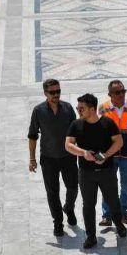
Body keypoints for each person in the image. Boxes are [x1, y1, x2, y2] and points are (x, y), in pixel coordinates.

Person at [64, 94, 127, 249]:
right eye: (78, 108)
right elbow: (68, 145)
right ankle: (91, 236)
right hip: (86, 173)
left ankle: (119, 224)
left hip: (107, 171)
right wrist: (83, 152)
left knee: (113, 201)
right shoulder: (76, 125)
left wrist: (105, 155)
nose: (78, 110)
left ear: (92, 109)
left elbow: (119, 142)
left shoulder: (108, 123)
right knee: (88, 205)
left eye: (82, 108)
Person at [28, 79, 78, 236]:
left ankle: (68, 208)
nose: (56, 94)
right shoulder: (38, 111)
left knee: (73, 187)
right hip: (48, 158)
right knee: (52, 192)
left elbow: (76, 131)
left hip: (68, 156)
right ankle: (58, 222)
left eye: (58, 91)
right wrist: (32, 159)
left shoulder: (68, 108)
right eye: (52, 92)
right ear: (45, 93)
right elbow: (32, 135)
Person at [97, 81, 127, 227]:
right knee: (108, 185)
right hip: (110, 154)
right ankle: (107, 215)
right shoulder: (103, 109)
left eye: (123, 91)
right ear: (110, 94)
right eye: (117, 92)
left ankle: (123, 212)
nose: (121, 95)